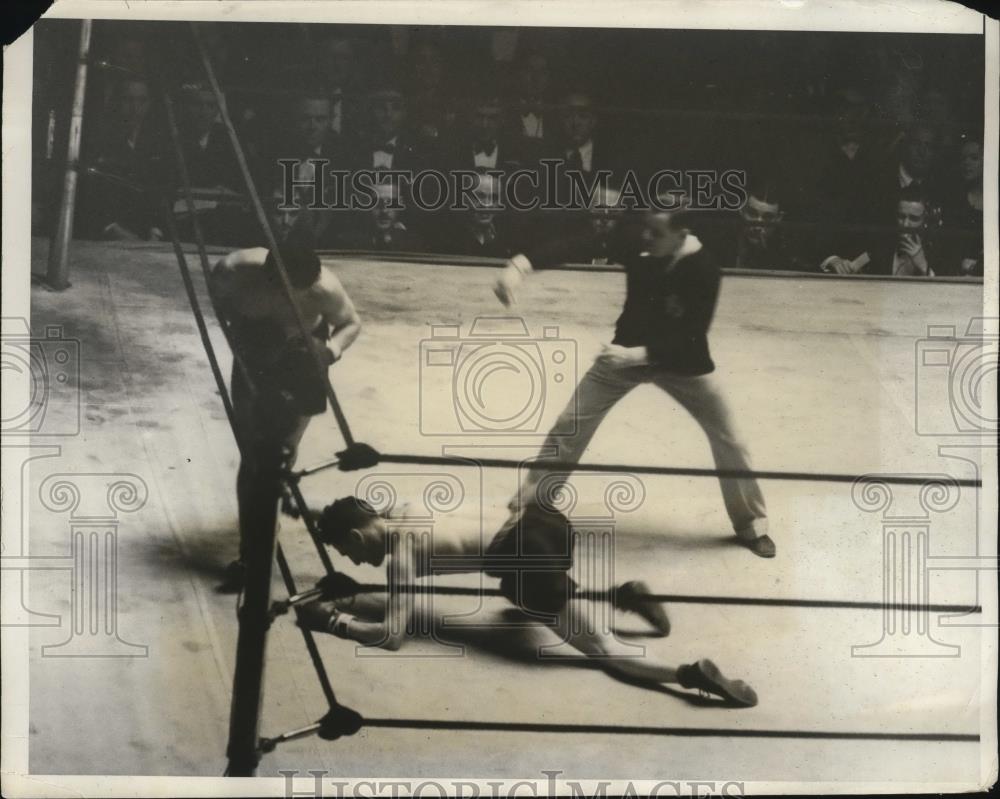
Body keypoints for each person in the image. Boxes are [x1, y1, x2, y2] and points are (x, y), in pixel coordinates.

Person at [494, 202, 775, 559]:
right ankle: (528, 515)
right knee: (570, 425)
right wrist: (520, 266)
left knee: (730, 438)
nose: (646, 237)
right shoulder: (638, 240)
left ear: (681, 236)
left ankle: (752, 525)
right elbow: (582, 244)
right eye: (646, 228)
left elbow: (693, 335)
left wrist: (642, 356)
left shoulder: (705, 269)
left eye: (657, 233)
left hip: (681, 360)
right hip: (623, 352)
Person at [296, 496, 758, 707]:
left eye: (346, 551)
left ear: (357, 535)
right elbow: (351, 516)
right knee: (518, 598)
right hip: (540, 518)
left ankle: (687, 674)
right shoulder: (401, 510)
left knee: (602, 649)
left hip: (525, 557)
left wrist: (333, 620)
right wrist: (309, 510)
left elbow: (392, 636)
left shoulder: (400, 559)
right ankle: (621, 594)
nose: (353, 561)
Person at [210, 231, 362, 591]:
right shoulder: (233, 270)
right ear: (270, 276)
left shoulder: (325, 288)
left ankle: (266, 528)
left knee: (281, 455)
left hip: (301, 359)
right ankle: (252, 553)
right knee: (253, 456)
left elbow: (351, 324)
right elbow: (219, 303)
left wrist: (330, 352)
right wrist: (242, 332)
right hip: (255, 356)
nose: (292, 297)